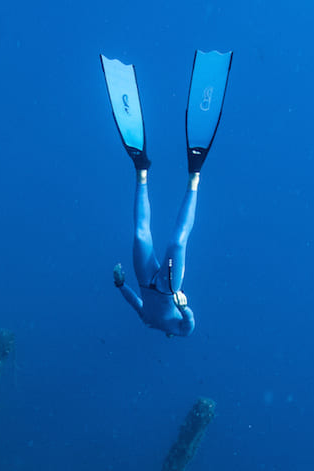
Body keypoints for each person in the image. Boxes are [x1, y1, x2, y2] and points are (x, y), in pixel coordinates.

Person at [100, 51, 232, 337]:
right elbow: (189, 327)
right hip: (169, 287)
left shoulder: (148, 321)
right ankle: (194, 174)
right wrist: (184, 308)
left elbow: (136, 304)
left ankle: (141, 168)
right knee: (177, 242)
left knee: (139, 234)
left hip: (145, 281)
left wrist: (121, 285)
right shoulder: (177, 330)